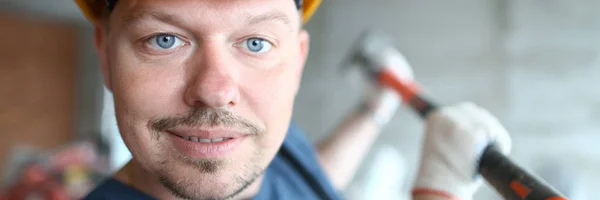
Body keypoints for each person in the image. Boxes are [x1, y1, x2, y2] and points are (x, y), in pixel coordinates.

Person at [72, 0, 512, 200]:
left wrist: (374, 110)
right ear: (105, 54)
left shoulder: (253, 143)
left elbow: (312, 181)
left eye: (257, 43)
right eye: (165, 39)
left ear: (297, 61)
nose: (216, 90)